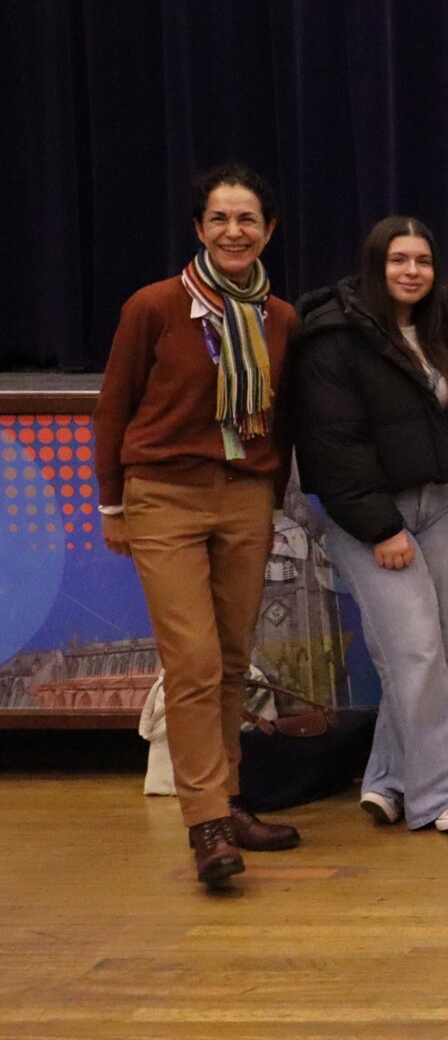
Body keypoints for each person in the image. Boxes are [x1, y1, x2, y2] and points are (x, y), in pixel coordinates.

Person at [94, 162, 303, 887]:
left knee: (234, 658)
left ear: (268, 230)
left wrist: (273, 492)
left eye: (247, 219)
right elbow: (113, 407)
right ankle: (206, 824)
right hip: (163, 495)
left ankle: (228, 797)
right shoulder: (154, 305)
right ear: (198, 230)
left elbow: (285, 416)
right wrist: (112, 504)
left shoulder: (281, 318)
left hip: (244, 494)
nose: (233, 231)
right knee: (193, 660)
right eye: (219, 218)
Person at [291, 217, 448, 834]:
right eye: (399, 260)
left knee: (433, 653)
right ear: (376, 265)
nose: (412, 271)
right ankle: (445, 796)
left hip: (445, 505)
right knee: (415, 650)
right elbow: (333, 446)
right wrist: (381, 527)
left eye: (423, 260)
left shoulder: (438, 327)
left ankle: (388, 780)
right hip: (373, 520)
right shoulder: (331, 335)